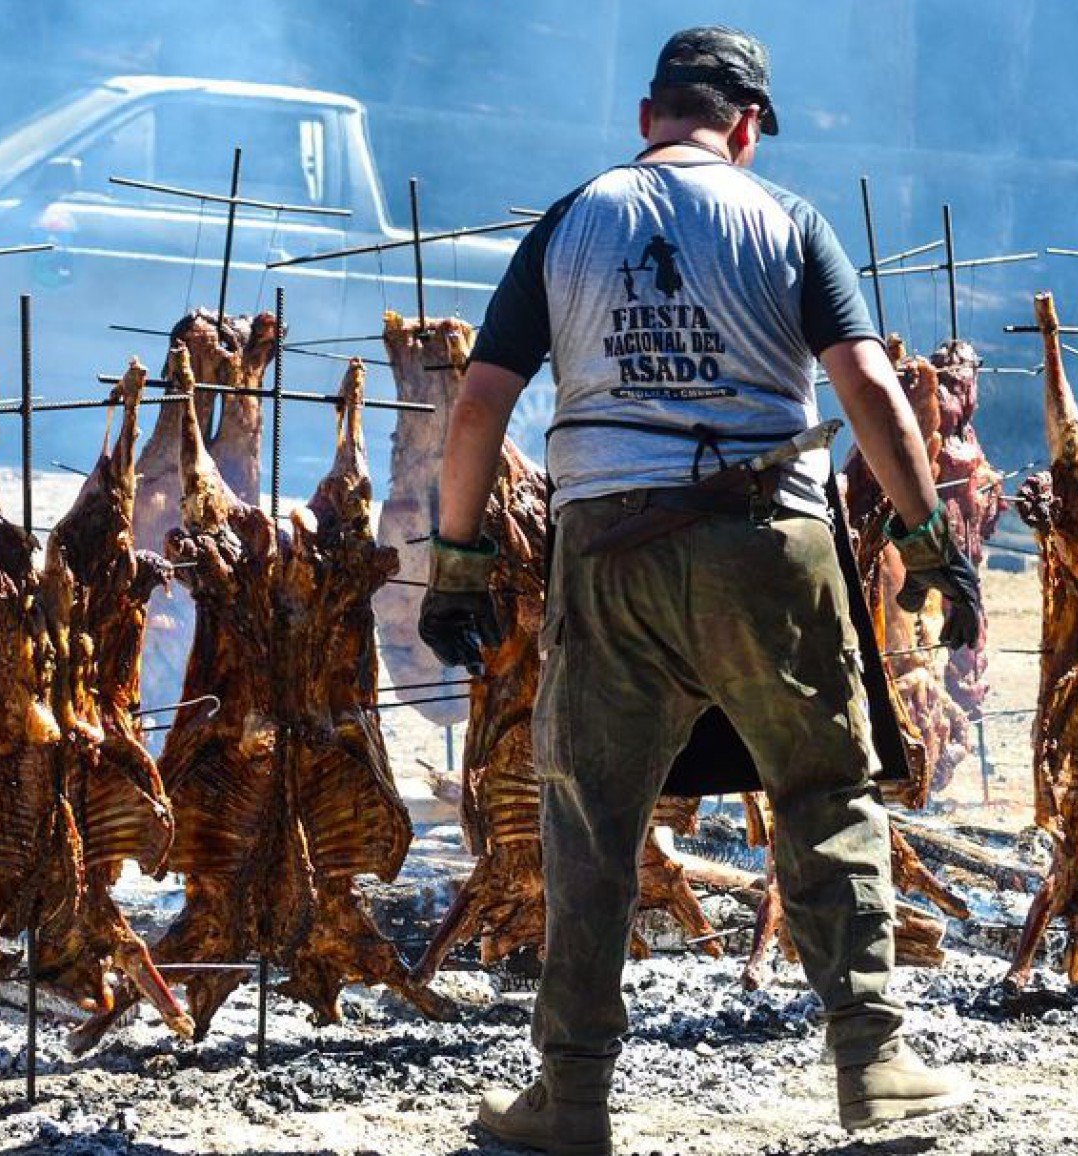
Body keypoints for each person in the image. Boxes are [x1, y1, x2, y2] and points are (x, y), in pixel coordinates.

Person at [419, 25, 983, 1155]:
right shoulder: (787, 220)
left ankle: (572, 1096)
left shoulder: (573, 219)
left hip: (610, 550)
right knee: (822, 791)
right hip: (770, 546)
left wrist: (459, 562)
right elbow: (870, 386)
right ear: (746, 127)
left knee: (592, 816)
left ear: (647, 118)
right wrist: (929, 539)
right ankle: (873, 1063)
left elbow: (478, 403)